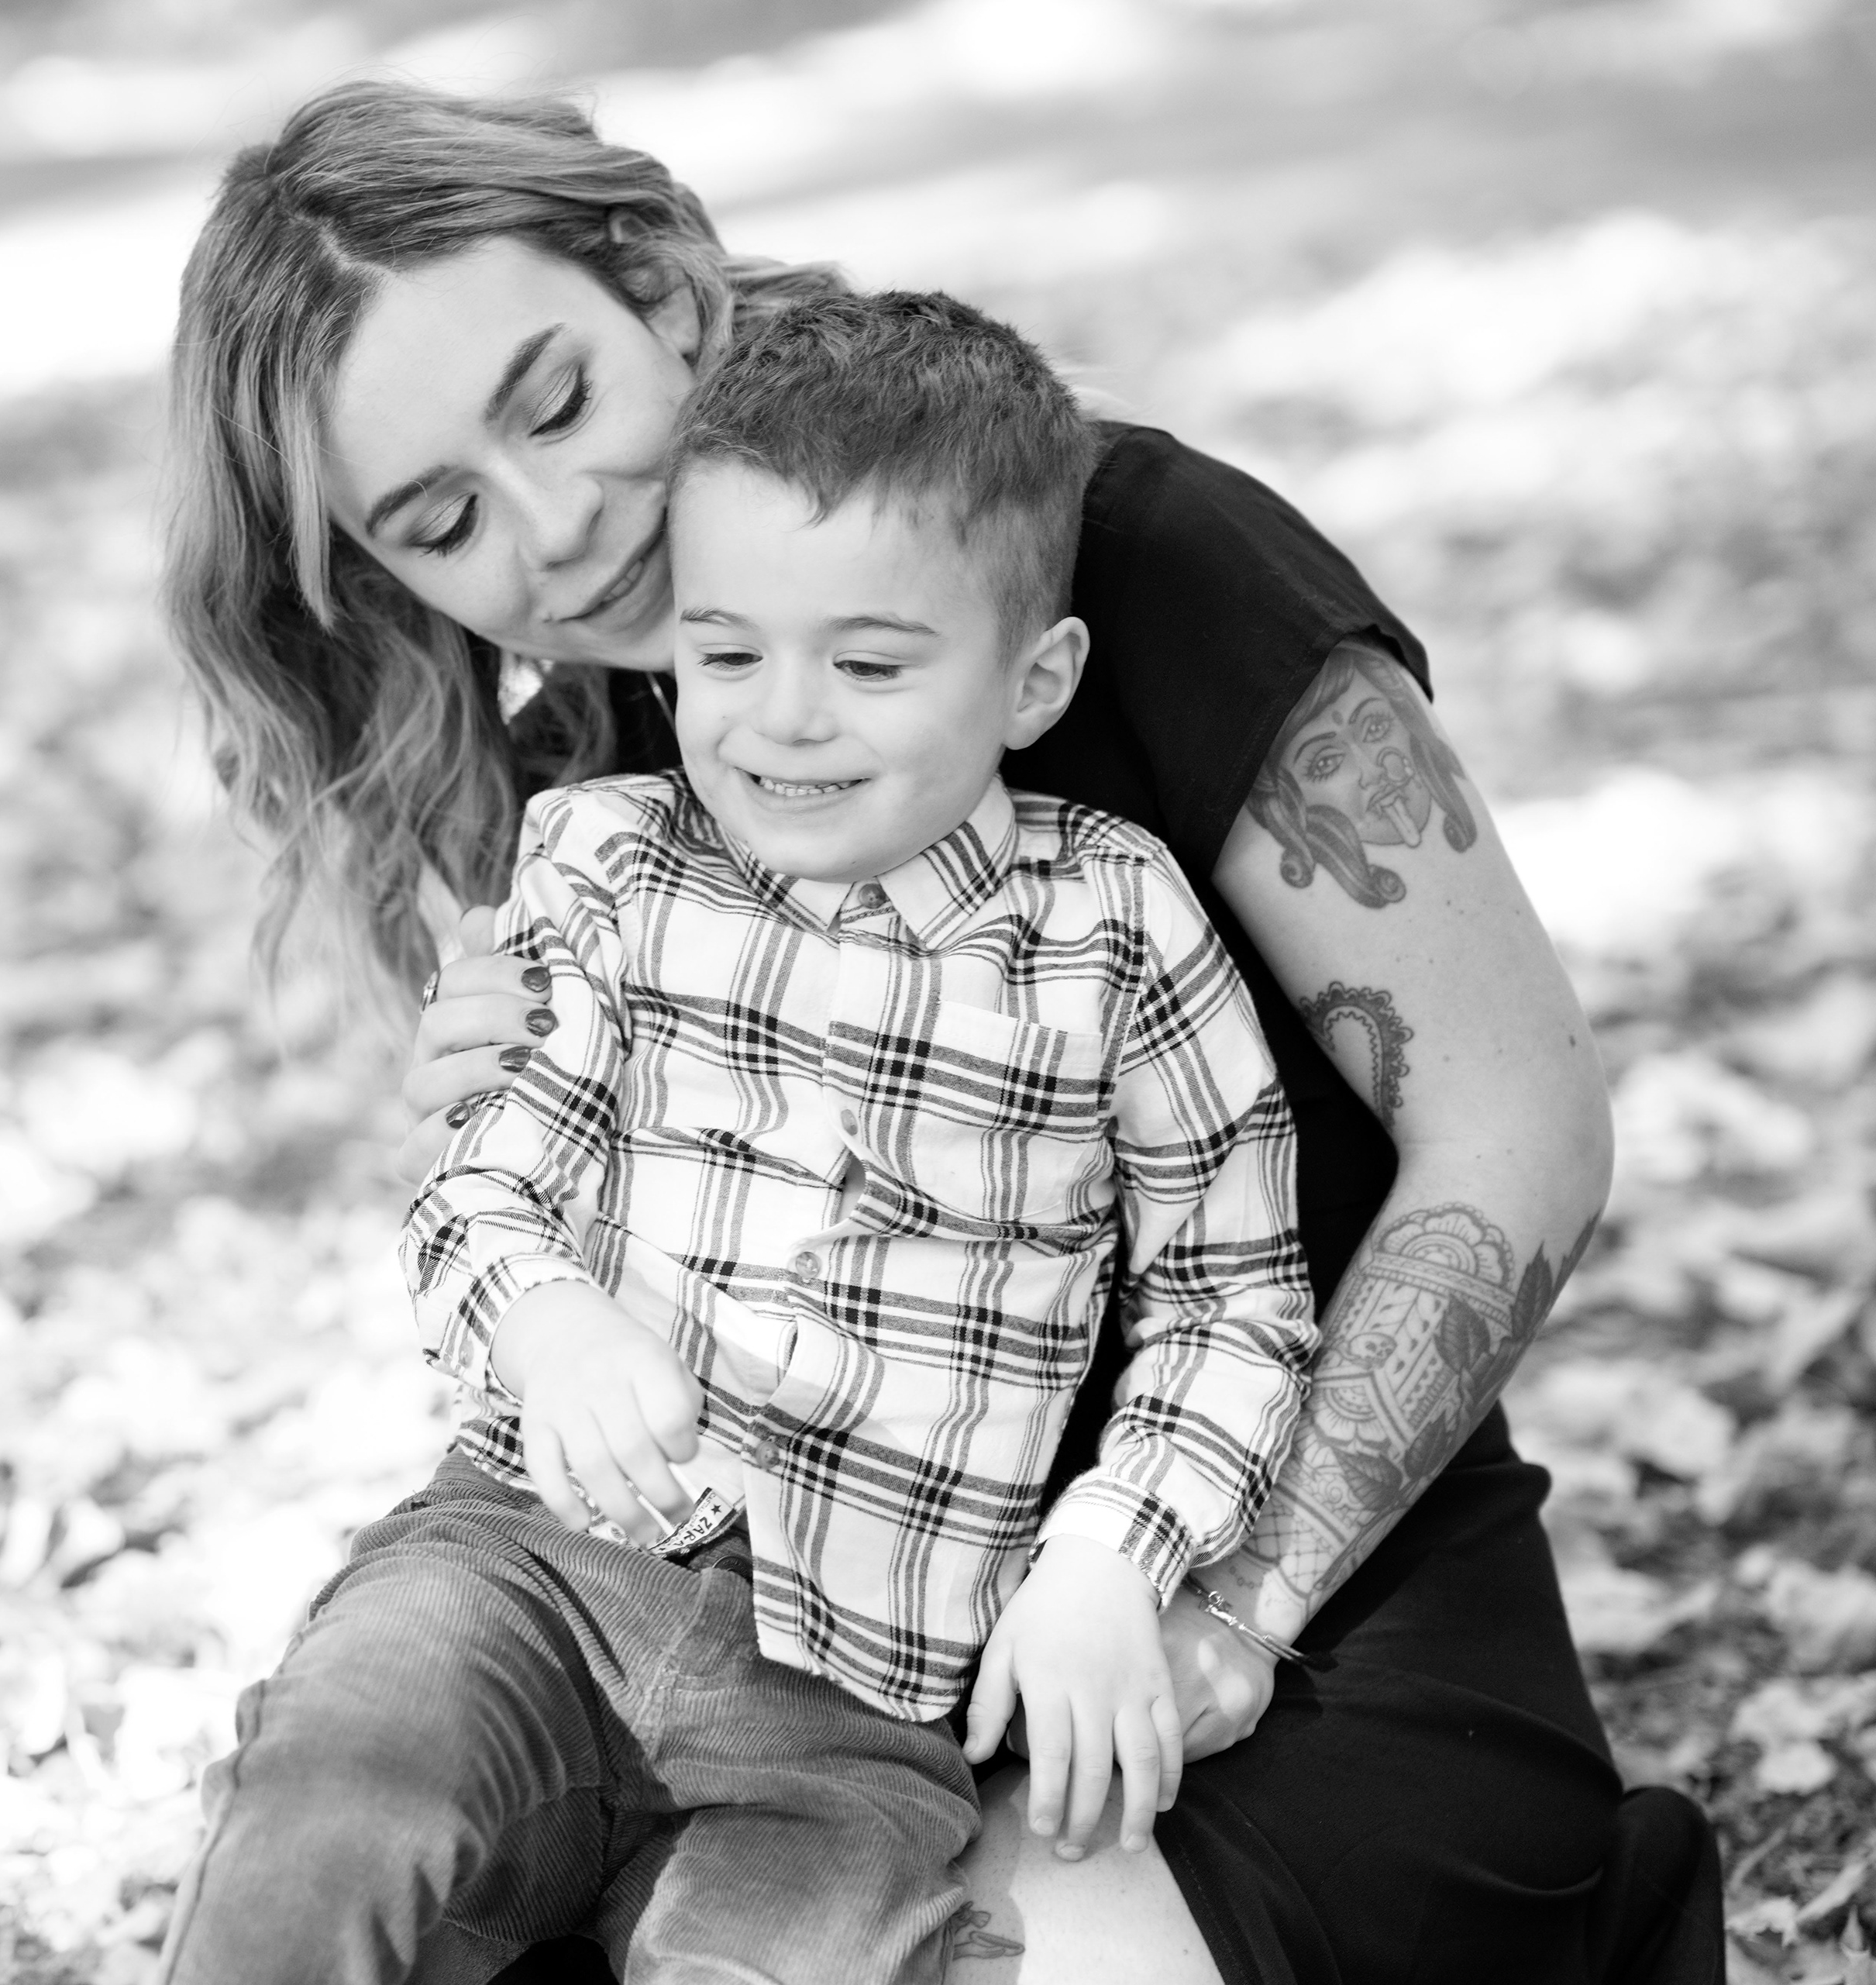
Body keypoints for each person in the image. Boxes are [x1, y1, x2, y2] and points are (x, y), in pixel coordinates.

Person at [161, 78, 1723, 1985]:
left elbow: (1523, 1128)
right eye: (444, 520)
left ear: (663, 286)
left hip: (1285, 1618)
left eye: (556, 403)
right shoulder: (597, 777)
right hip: (809, 1668)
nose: (559, 527)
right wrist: (525, 1193)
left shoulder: (1132, 554)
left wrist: (1220, 1607)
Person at [162, 290, 1322, 1984]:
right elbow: (482, 1184)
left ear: (1035, 680)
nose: (784, 717)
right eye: (725, 656)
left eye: (869, 664)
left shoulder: (1117, 927)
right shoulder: (603, 864)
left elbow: (1232, 1294)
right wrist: (553, 1326)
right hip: (535, 1567)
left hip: (856, 1703)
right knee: (327, 1817)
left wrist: (1109, 1552)